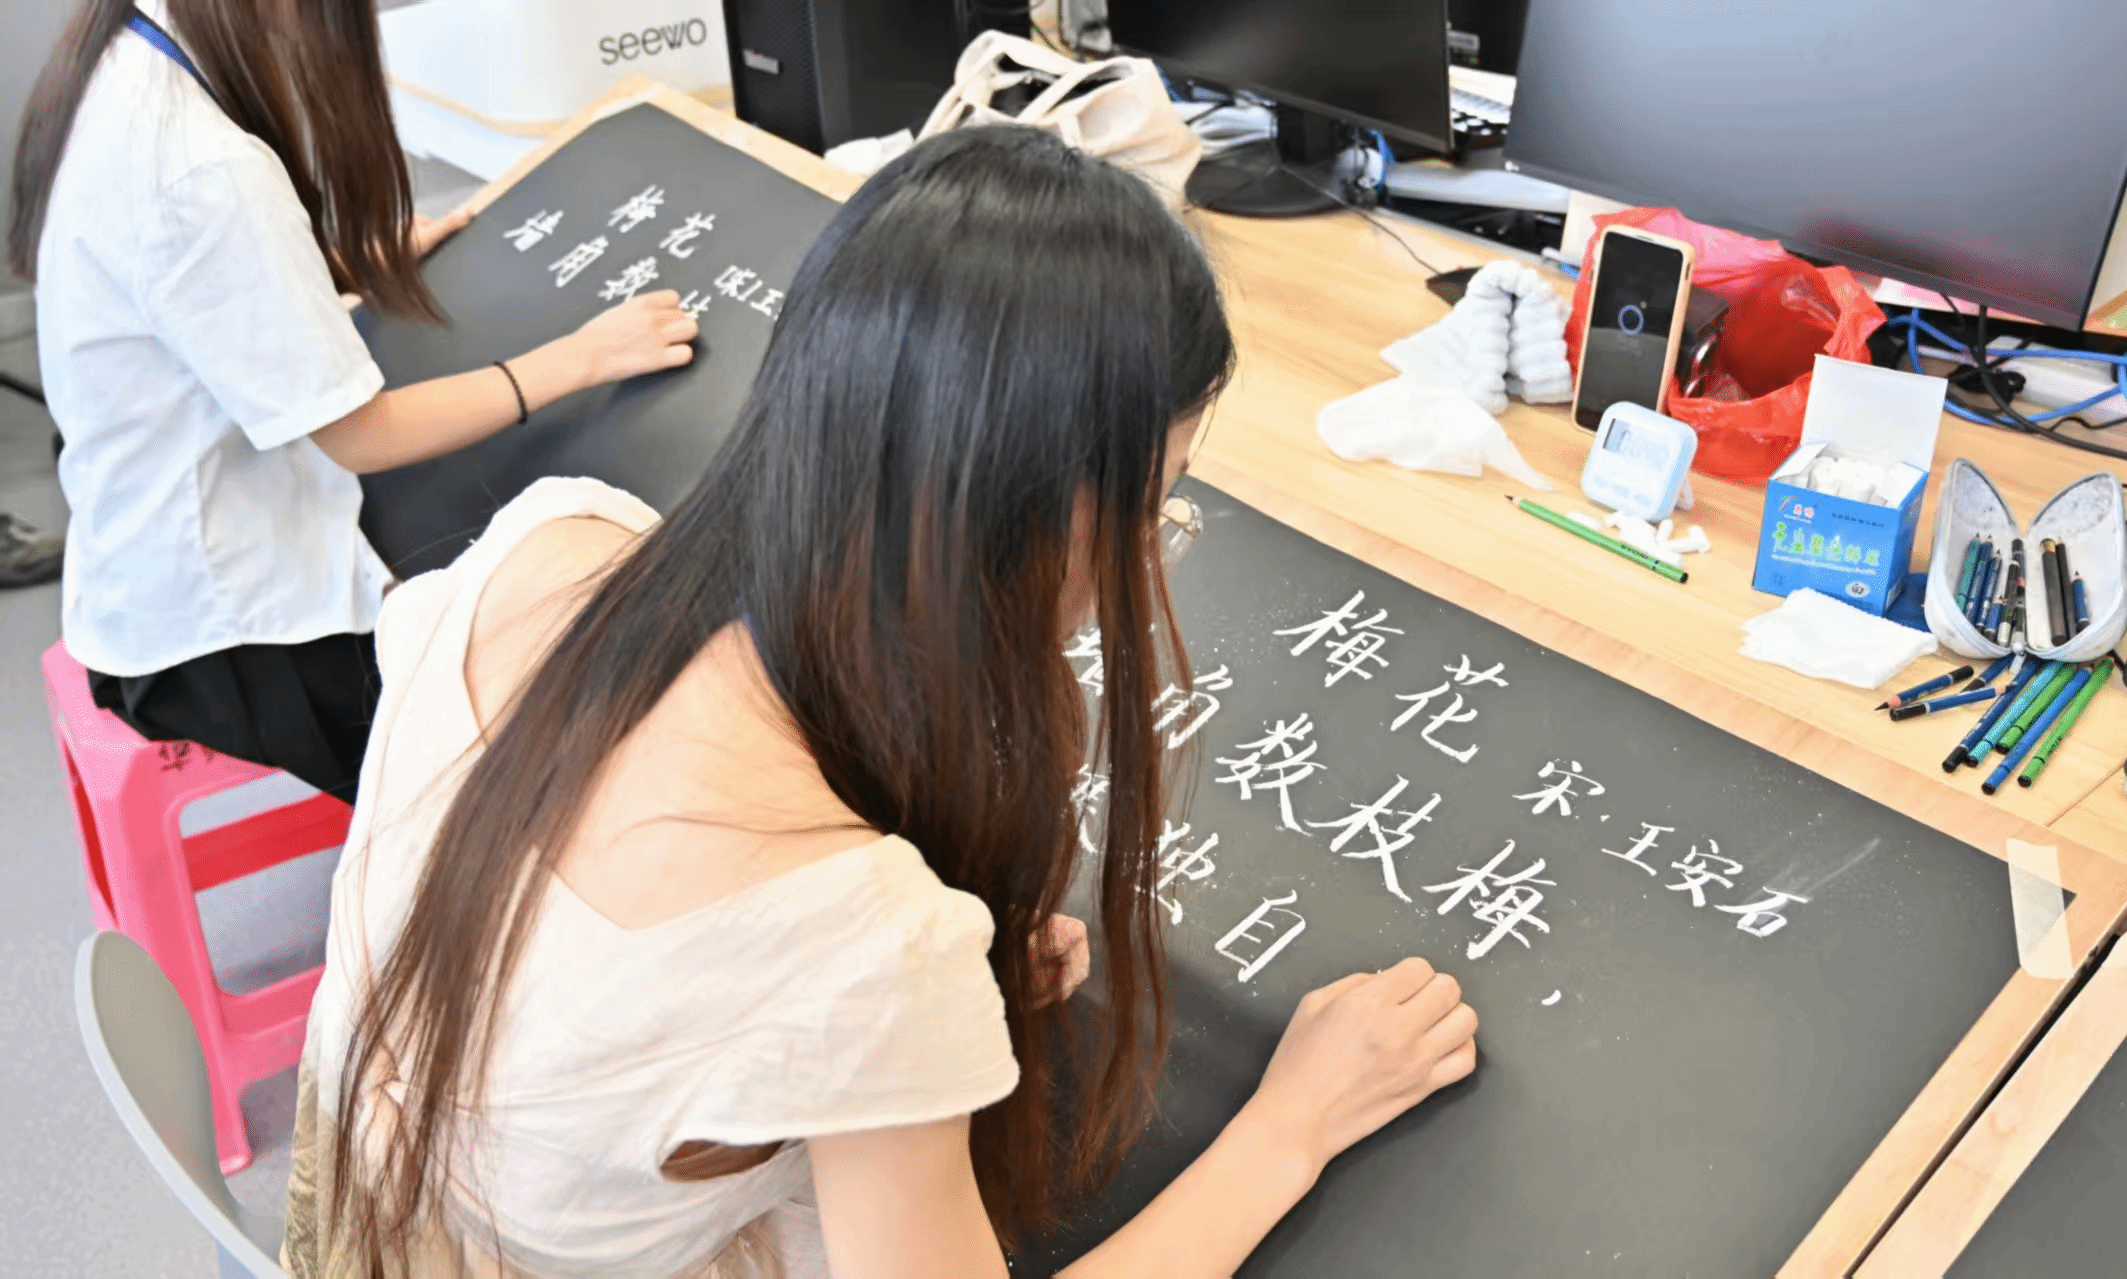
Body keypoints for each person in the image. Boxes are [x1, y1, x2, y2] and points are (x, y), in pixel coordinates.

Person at [283, 126, 1479, 1277]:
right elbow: (786, 943)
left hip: (353, 1197)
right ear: (1023, 515)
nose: (1145, 551)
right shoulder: (865, 948)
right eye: (1150, 503)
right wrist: (1290, 1127)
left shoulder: (555, 540)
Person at [7, 0, 696, 801]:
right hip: (220, 640)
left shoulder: (121, 51)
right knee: (548, 744)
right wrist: (580, 357)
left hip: (135, 579)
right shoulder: (203, 166)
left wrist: (328, 266)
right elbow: (359, 434)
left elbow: (180, 281)